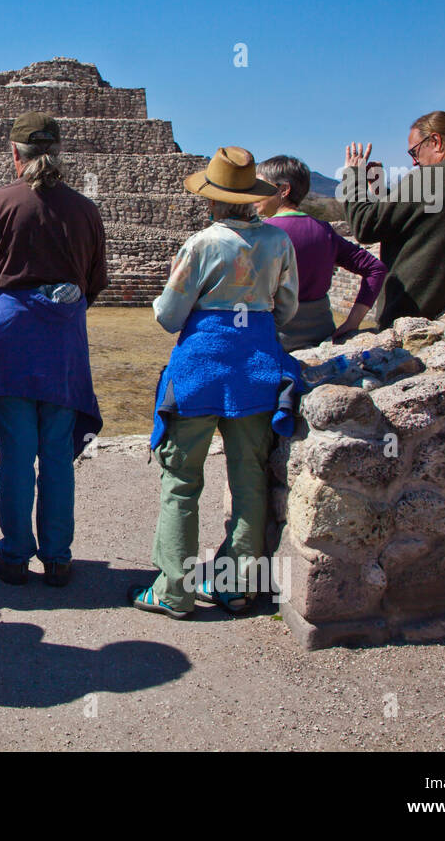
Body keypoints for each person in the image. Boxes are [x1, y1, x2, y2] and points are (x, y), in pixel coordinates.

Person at [131, 146, 303, 620]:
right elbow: (286, 309)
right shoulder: (278, 243)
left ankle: (174, 589)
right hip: (256, 370)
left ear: (212, 200)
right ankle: (237, 585)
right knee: (249, 477)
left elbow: (169, 317)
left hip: (199, 372)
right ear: (251, 197)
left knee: (182, 482)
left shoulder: (202, 244)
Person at [0, 111, 107, 588]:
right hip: (62, 339)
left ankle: (16, 556)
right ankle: (59, 558)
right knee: (58, 455)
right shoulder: (85, 209)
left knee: (16, 455)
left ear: (15, 155)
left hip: (9, 338)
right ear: (58, 153)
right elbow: (95, 283)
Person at [342, 111, 445, 327]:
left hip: (416, 316)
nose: (414, 162)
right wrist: (380, 188)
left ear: (436, 141)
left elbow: (365, 226)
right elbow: (424, 219)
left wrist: (353, 177)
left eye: (415, 151)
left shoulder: (431, 178)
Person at [255, 155, 387, 349]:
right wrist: (353, 322)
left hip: (272, 342)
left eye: (260, 186)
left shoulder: (260, 234)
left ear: (283, 189)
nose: (253, 194)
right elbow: (375, 268)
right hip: (320, 339)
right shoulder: (324, 231)